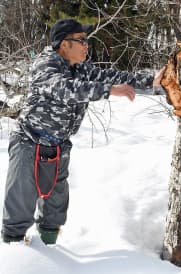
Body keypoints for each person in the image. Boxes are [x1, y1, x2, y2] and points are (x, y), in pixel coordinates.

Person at [1, 18, 164, 245]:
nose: (87, 45)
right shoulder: (46, 64)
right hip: (29, 142)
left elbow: (111, 76)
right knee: (19, 206)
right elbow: (63, 89)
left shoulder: (80, 68)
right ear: (64, 44)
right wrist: (108, 91)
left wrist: (152, 80)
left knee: (56, 208)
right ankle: (16, 255)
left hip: (58, 145)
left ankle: (50, 252)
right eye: (82, 40)